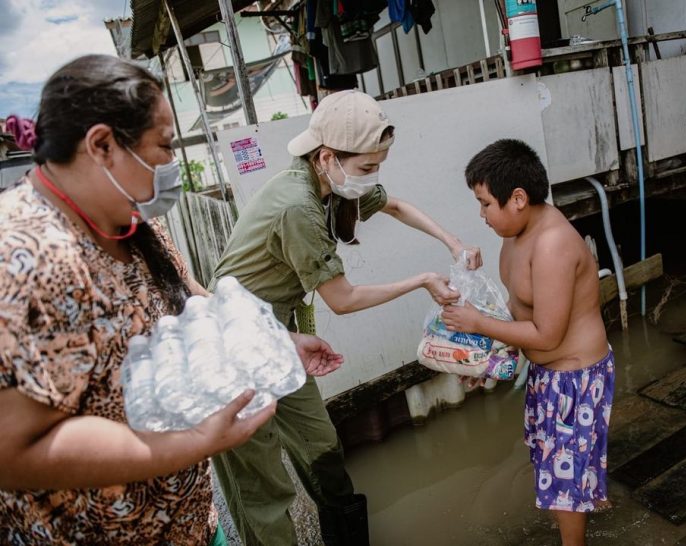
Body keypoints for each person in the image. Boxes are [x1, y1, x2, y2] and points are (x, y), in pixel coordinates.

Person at [0, 54, 341, 545]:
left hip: (189, 525)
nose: (172, 164)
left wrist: (277, 342)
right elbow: (15, 450)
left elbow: (191, 301)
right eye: (163, 146)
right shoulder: (26, 255)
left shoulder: (134, 220)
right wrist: (188, 445)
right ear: (102, 145)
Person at [209, 89, 481, 546]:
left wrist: (451, 241)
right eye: (367, 168)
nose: (372, 178)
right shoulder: (298, 206)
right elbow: (344, 299)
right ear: (327, 155)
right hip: (233, 346)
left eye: (378, 166)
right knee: (262, 487)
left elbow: (394, 204)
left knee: (320, 446)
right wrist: (422, 280)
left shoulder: (330, 183)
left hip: (279, 336)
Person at [441, 139, 614, 546]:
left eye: (485, 204)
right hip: (545, 370)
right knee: (554, 461)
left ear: (517, 198)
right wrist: (484, 360)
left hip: (574, 376)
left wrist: (479, 323)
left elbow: (547, 334)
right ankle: (588, 497)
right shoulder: (516, 231)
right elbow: (519, 311)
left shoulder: (553, 244)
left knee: (563, 481)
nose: (481, 214)